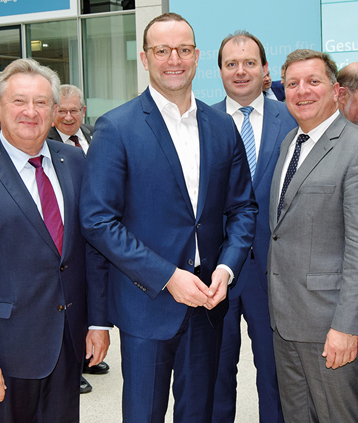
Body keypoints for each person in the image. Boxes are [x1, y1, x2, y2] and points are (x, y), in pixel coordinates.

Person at [80, 12, 257, 423]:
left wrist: (227, 270)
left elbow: (242, 207)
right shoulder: (117, 128)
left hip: (208, 301)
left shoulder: (221, 127)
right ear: (145, 58)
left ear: (196, 57)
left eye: (182, 50)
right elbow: (98, 221)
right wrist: (168, 276)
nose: (173, 59)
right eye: (162, 50)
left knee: (199, 413)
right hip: (148, 304)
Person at [0, 58, 109, 422]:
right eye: (19, 101)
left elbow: (89, 251)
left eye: (41, 102)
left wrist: (98, 322)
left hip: (68, 343)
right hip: (5, 352)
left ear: (53, 111)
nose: (30, 112)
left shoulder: (76, 161)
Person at [268, 49, 358, 423]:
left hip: (332, 327)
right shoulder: (291, 142)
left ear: (336, 90)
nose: (301, 91)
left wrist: (347, 326)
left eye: (313, 81)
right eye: (292, 84)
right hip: (286, 322)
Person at [211, 30, 296, 423]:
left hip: (274, 274)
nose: (240, 71)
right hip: (215, 277)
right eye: (231, 64)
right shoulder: (202, 123)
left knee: (276, 379)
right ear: (220, 71)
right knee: (214, 378)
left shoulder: (294, 118)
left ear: (265, 70)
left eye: (249, 63)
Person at [47, 83, 108, 394]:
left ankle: (88, 356)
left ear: (83, 111)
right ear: (53, 111)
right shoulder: (46, 142)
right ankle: (74, 366)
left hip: (96, 226)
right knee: (68, 296)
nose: (69, 116)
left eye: (75, 110)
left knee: (89, 290)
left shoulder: (93, 133)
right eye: (63, 110)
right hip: (66, 227)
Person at [48, 84, 95, 154]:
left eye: (73, 111)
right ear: (53, 112)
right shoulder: (44, 141)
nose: (68, 118)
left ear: (83, 111)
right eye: (62, 111)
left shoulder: (95, 133)